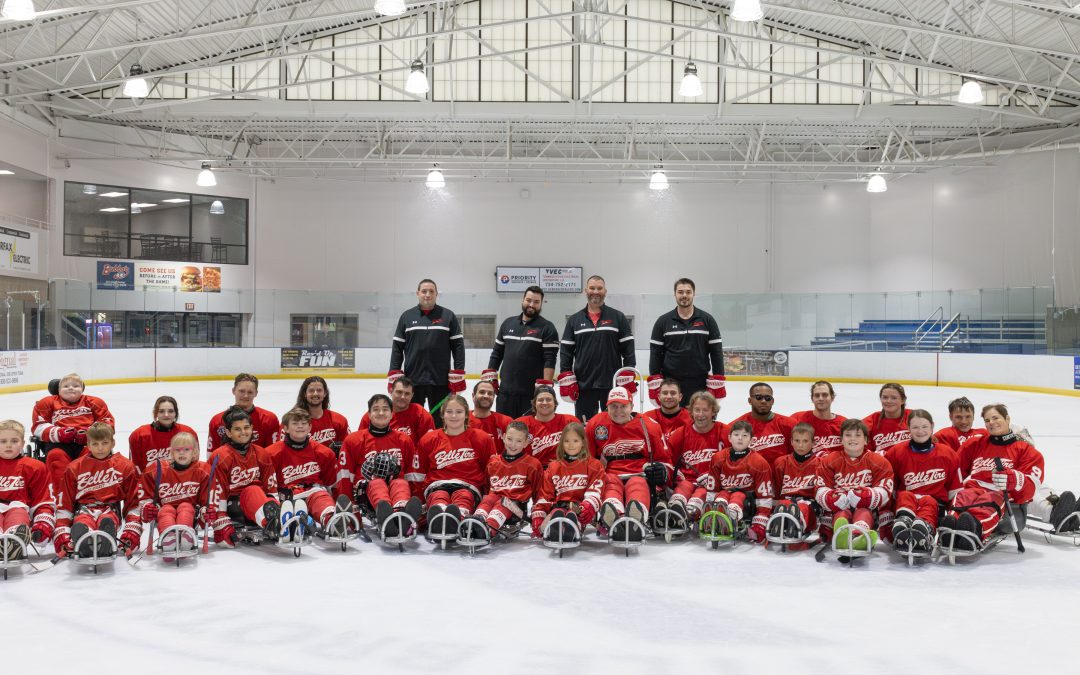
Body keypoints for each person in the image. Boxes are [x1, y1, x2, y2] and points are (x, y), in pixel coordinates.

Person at [941, 403, 1045, 550]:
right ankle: (950, 527)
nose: (991, 423)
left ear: (1007, 419)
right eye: (987, 420)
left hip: (1004, 499)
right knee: (963, 496)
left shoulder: (1026, 450)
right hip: (974, 488)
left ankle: (974, 529)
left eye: (995, 417)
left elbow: (1032, 489)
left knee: (989, 501)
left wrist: (1015, 479)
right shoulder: (975, 443)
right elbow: (955, 470)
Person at [585, 386, 672, 542]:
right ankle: (614, 515)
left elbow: (665, 460)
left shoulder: (649, 426)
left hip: (640, 474)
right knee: (611, 484)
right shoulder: (595, 424)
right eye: (614, 406)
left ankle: (636, 515)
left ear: (631, 406)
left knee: (637, 484)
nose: (618, 411)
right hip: (611, 474)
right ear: (607, 407)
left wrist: (662, 471)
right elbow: (588, 459)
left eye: (623, 406)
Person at [336, 394, 423, 538]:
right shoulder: (354, 440)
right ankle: (385, 513)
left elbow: (410, 475)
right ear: (369, 414)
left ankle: (400, 516)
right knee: (377, 482)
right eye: (376, 409)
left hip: (397, 490)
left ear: (391, 414)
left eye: (385, 409)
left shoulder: (404, 440)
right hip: (366, 492)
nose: (381, 413)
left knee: (400, 482)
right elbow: (344, 476)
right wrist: (352, 512)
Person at [54, 422, 141, 559]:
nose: (100, 448)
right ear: (88, 445)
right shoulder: (74, 467)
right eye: (95, 444)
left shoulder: (125, 466)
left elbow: (133, 503)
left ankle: (104, 538)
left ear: (113, 443)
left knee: (107, 521)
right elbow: (65, 502)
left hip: (110, 509)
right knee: (82, 523)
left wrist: (132, 530)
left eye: (105, 443)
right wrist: (62, 530)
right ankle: (84, 539)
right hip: (84, 510)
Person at [414, 395, 497, 537]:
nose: (454, 416)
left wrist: (487, 498)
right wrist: (419, 500)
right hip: (437, 485)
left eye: (459, 412)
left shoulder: (482, 438)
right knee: (439, 496)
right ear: (442, 414)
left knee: (463, 496)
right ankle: (438, 516)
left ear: (466, 415)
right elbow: (419, 474)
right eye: (449, 411)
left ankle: (459, 518)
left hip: (468, 487)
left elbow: (491, 471)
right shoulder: (429, 439)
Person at [266, 408, 354, 540]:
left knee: (321, 497)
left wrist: (336, 500)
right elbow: (268, 487)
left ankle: (332, 521)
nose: (300, 426)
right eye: (295, 423)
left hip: (312, 492)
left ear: (310, 427)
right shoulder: (271, 453)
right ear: (286, 428)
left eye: (304, 423)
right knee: (290, 506)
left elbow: (332, 484)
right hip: (286, 497)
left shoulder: (324, 453)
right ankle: (287, 523)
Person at [388, 279, 466, 428]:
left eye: (431, 291)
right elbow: (397, 347)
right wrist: (394, 373)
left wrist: (458, 371)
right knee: (412, 420)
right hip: (412, 380)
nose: (427, 295)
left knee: (440, 420)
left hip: (440, 380)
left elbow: (458, 346)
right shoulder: (407, 316)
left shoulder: (448, 316)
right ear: (418, 294)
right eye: (424, 291)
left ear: (436, 294)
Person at [558, 275, 635, 421]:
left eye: (599, 288)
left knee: (615, 425)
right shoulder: (574, 320)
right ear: (585, 291)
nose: (596, 291)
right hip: (583, 385)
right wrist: (567, 378)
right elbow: (566, 353)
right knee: (585, 428)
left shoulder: (618, 317)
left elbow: (628, 350)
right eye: (592, 288)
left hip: (612, 385)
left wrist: (628, 373)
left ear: (605, 291)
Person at [884, 409, 960, 553]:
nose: (920, 431)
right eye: (916, 427)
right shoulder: (895, 453)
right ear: (908, 428)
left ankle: (925, 529)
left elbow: (954, 490)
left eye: (925, 427)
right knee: (905, 495)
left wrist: (954, 516)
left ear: (932, 426)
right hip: (905, 504)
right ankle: (903, 524)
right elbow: (889, 488)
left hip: (934, 505)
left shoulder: (948, 454)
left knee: (928, 500)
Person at [814, 419, 894, 552]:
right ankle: (842, 534)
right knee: (841, 514)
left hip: (868, 510)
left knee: (863, 511)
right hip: (839, 509)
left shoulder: (878, 461)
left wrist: (868, 496)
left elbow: (885, 488)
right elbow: (820, 487)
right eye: (848, 435)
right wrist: (831, 498)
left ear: (866, 440)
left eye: (858, 435)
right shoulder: (830, 460)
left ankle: (859, 536)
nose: (853, 439)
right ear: (841, 439)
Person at [648, 278, 726, 407]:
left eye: (688, 292)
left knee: (699, 420)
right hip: (671, 382)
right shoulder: (663, 321)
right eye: (680, 292)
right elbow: (655, 353)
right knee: (672, 422)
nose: (684, 295)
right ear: (675, 294)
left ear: (693, 294)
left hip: (700, 381)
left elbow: (716, 352)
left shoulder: (707, 320)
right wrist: (655, 381)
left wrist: (719, 379)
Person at [31, 373, 114, 494]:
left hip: (89, 444)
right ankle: (62, 494)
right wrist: (58, 433)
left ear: (82, 389)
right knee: (56, 458)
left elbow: (107, 423)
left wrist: (90, 434)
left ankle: (89, 493)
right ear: (58, 390)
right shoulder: (47, 403)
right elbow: (38, 426)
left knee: (92, 458)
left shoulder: (94, 402)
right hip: (58, 444)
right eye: (66, 386)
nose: (71, 388)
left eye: (76, 386)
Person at [207, 408, 280, 547]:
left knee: (259, 493)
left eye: (246, 427)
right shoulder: (220, 456)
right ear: (228, 432)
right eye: (237, 429)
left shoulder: (261, 453)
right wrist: (220, 518)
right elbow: (217, 491)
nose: (243, 432)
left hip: (259, 503)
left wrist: (275, 502)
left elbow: (271, 486)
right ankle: (274, 524)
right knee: (252, 490)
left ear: (252, 428)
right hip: (234, 505)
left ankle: (279, 518)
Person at [460, 422, 543, 540]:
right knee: (489, 498)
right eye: (510, 439)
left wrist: (537, 516)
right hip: (494, 500)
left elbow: (538, 492)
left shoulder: (532, 464)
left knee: (503, 503)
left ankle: (487, 530)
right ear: (503, 437)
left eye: (519, 441)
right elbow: (487, 487)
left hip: (516, 508)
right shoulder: (493, 461)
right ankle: (475, 523)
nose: (513, 444)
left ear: (525, 443)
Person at [486, 285, 560, 418]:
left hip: (531, 395)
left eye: (536, 302)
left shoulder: (547, 328)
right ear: (523, 300)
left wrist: (545, 389)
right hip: (505, 393)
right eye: (529, 300)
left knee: (528, 435)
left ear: (541, 304)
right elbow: (497, 353)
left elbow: (550, 359)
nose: (531, 304)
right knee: (505, 432)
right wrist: (490, 378)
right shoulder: (508, 324)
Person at [137, 431, 213, 553]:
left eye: (186, 449)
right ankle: (168, 537)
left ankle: (186, 535)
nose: (181, 453)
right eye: (178, 450)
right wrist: (147, 507)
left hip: (190, 513)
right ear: (171, 452)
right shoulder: (157, 470)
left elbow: (206, 500)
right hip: (164, 513)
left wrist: (206, 512)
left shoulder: (203, 471)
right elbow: (145, 494)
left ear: (194, 452)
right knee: (166, 509)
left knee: (185, 506)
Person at [700, 420, 774, 543]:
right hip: (725, 494)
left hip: (747, 502)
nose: (740, 438)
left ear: (751, 440)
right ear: (729, 437)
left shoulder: (759, 463)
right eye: (736, 435)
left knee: (737, 495)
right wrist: (709, 503)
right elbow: (713, 489)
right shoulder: (718, 458)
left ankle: (731, 517)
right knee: (722, 495)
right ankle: (715, 514)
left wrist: (759, 523)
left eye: (745, 435)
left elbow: (765, 498)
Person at [530, 422, 605, 541]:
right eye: (566, 441)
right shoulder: (553, 466)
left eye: (575, 441)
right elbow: (545, 494)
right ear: (561, 443)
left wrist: (588, 506)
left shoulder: (594, 465)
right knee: (557, 512)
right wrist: (539, 513)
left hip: (580, 509)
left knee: (573, 516)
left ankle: (573, 527)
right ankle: (555, 527)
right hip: (558, 506)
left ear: (583, 442)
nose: (571, 445)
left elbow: (596, 490)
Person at [666, 391, 728, 521]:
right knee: (683, 489)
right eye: (697, 410)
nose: (700, 415)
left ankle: (690, 512)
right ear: (691, 412)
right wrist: (677, 476)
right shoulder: (679, 434)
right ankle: (676, 509)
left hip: (710, 486)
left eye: (705, 410)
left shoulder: (725, 432)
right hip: (686, 481)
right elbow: (668, 462)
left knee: (701, 493)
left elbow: (736, 463)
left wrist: (716, 478)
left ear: (713, 411)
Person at [0, 420, 54, 559]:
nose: (8, 445)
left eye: (14, 441)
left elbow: (42, 499)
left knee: (18, 519)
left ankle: (13, 542)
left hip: (19, 507)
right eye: (3, 441)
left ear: (23, 444)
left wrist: (42, 523)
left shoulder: (35, 467)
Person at [770, 423, 823, 543]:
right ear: (791, 442)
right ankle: (781, 523)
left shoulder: (820, 464)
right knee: (783, 504)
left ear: (813, 443)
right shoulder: (781, 463)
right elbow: (777, 491)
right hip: (787, 501)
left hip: (810, 504)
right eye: (797, 441)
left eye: (805, 441)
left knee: (803, 507)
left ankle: (797, 525)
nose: (800, 445)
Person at [207, 373, 280, 453]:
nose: (245, 396)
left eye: (250, 392)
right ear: (233, 391)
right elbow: (212, 455)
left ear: (256, 393)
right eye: (241, 391)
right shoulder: (217, 421)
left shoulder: (269, 419)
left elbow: (272, 453)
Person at [127, 396, 200, 474]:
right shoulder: (139, 435)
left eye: (171, 411)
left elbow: (194, 462)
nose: (166, 415)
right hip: (150, 482)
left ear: (176, 413)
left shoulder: (188, 433)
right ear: (155, 413)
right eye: (161, 411)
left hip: (180, 483)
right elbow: (136, 467)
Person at [730, 382, 795, 466]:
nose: (763, 401)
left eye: (768, 398)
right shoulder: (735, 428)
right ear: (750, 400)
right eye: (758, 397)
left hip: (781, 476)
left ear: (772, 401)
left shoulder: (789, 424)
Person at [515, 385, 578, 466]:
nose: (544, 403)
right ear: (534, 403)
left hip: (562, 471)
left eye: (548, 399)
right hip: (531, 470)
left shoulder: (570, 421)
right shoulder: (521, 423)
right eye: (540, 400)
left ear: (555, 402)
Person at [360, 376, 435, 441]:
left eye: (407, 393)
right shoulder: (376, 414)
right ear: (391, 391)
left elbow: (429, 444)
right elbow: (360, 441)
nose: (402, 397)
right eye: (399, 392)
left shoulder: (420, 414)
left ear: (412, 395)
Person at [288, 376, 349, 452]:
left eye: (319, 390)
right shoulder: (291, 421)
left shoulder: (339, 420)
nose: (315, 394)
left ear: (325, 393)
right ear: (305, 394)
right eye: (311, 390)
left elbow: (349, 448)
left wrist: (340, 450)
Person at [790, 381, 847, 457]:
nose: (820, 398)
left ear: (832, 397)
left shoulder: (844, 424)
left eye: (825, 395)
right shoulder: (798, 419)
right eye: (817, 395)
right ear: (812, 398)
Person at [863, 382, 911, 454]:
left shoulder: (914, 417)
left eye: (894, 398)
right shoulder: (870, 422)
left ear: (903, 400)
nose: (888, 401)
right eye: (885, 397)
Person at [469, 381, 513, 453]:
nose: (486, 396)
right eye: (482, 392)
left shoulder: (506, 422)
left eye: (490, 393)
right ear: (473, 396)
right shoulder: (461, 420)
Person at [642, 378, 692, 442]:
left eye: (673, 393)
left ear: (680, 397)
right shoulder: (647, 418)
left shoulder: (691, 418)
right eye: (665, 393)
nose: (669, 396)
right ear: (659, 396)